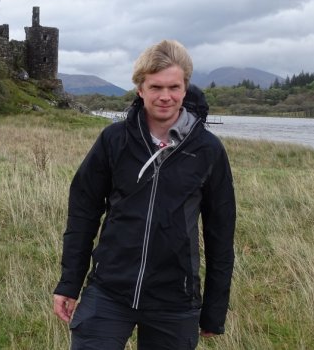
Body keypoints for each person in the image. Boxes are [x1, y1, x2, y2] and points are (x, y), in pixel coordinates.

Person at [53, 40, 236, 349]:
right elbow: (83, 211)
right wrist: (70, 282)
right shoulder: (114, 140)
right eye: (155, 87)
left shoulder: (208, 150)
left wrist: (214, 310)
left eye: (174, 87)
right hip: (109, 290)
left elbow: (221, 234)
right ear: (140, 89)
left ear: (185, 87)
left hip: (175, 299)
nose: (165, 96)